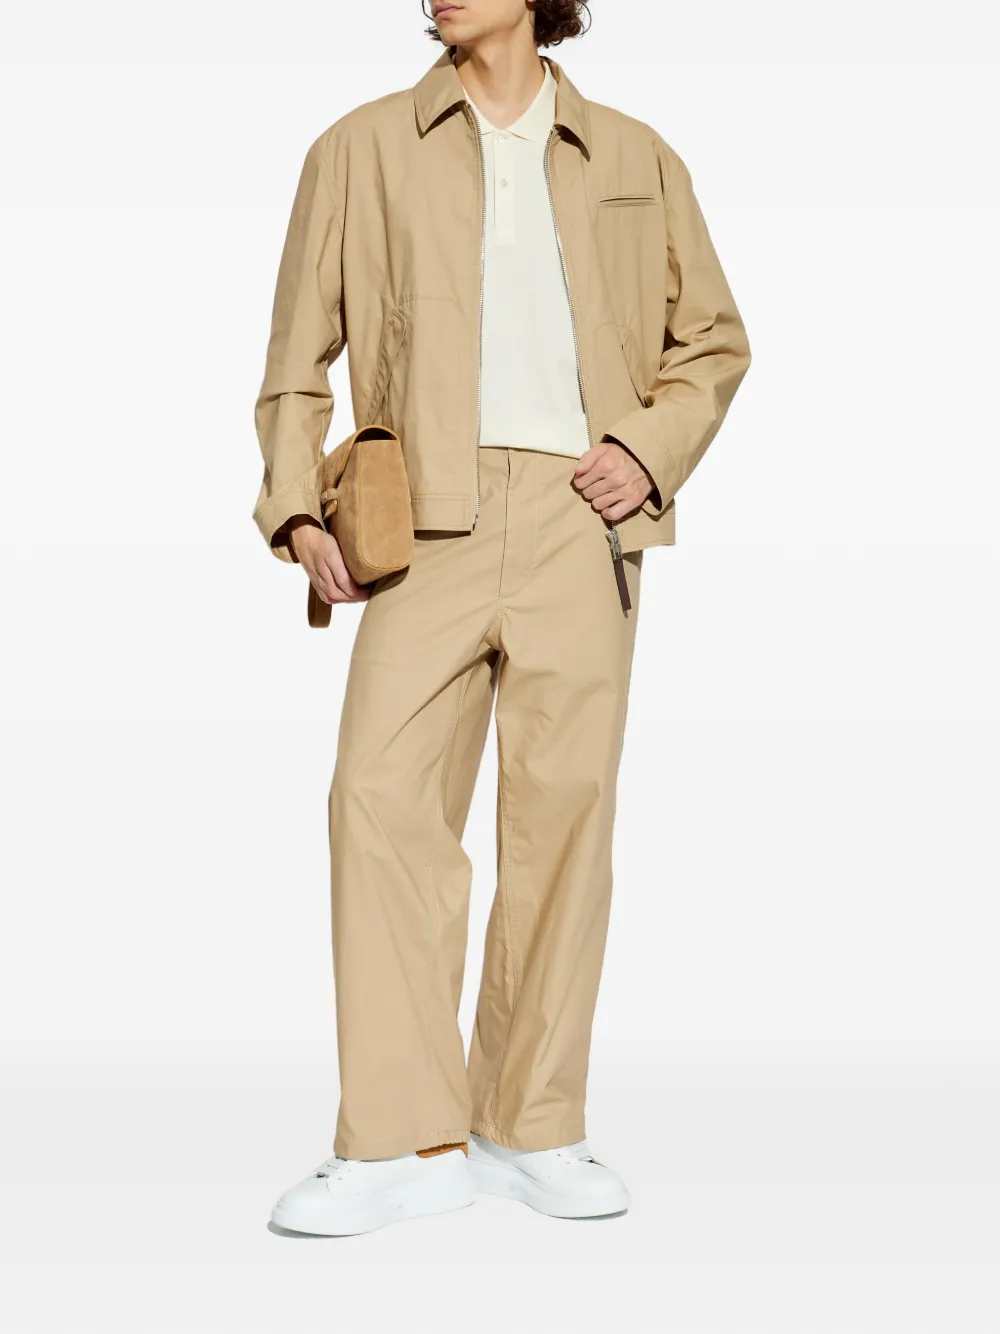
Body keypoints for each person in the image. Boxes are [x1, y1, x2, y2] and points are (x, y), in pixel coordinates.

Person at [253, 0, 750, 1237]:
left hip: (583, 520)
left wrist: (647, 446)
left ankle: (528, 1125)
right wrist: (293, 506)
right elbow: (295, 359)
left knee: (563, 818)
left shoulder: (634, 155)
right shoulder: (360, 147)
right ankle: (398, 1138)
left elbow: (712, 340)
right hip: (421, 515)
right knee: (375, 797)